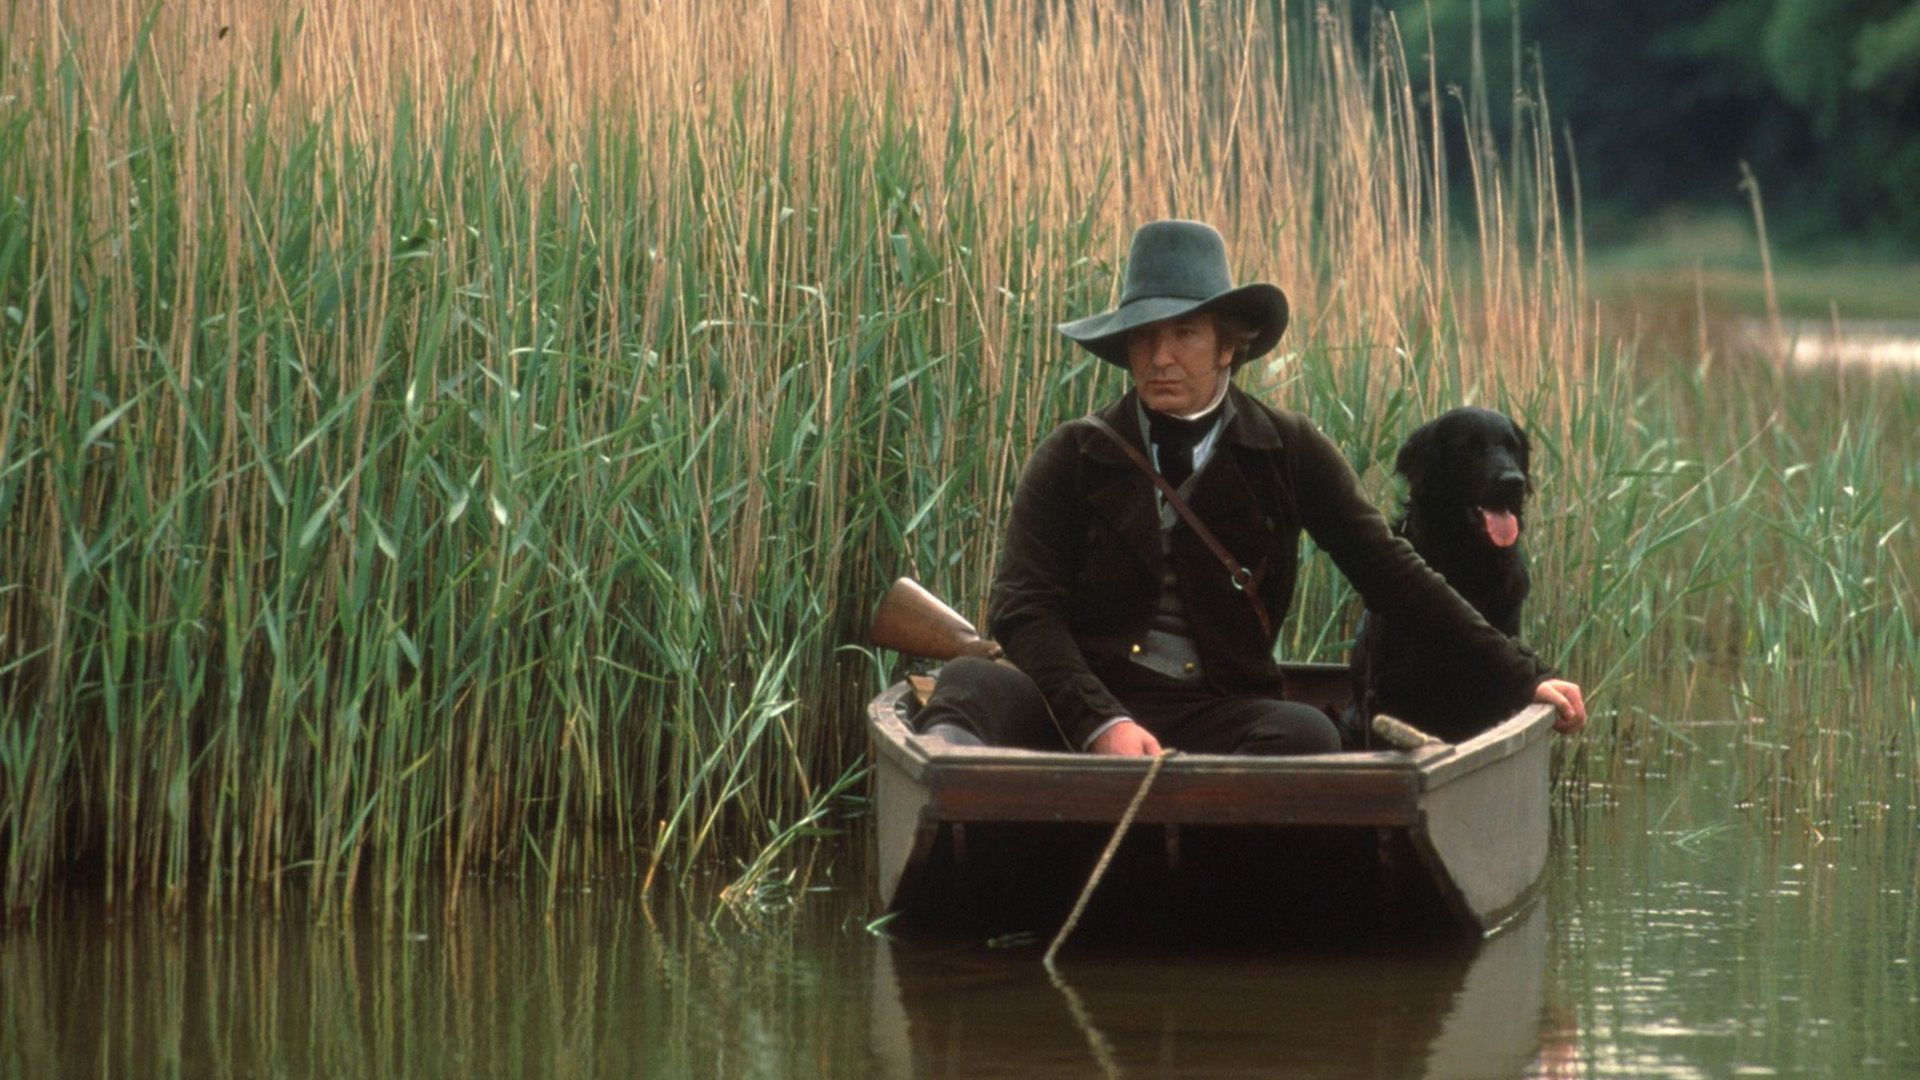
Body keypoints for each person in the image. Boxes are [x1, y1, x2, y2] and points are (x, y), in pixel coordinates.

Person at [915, 219, 1586, 756]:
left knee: (1310, 735)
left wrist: (1523, 674)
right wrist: (1101, 723)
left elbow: (1393, 575)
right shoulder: (1072, 455)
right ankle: (954, 820)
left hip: (1221, 711)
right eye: (1144, 337)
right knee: (969, 684)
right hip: (1086, 706)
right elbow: (1024, 611)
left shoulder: (1288, 449)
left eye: (1184, 333)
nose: (1161, 357)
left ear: (1230, 345)